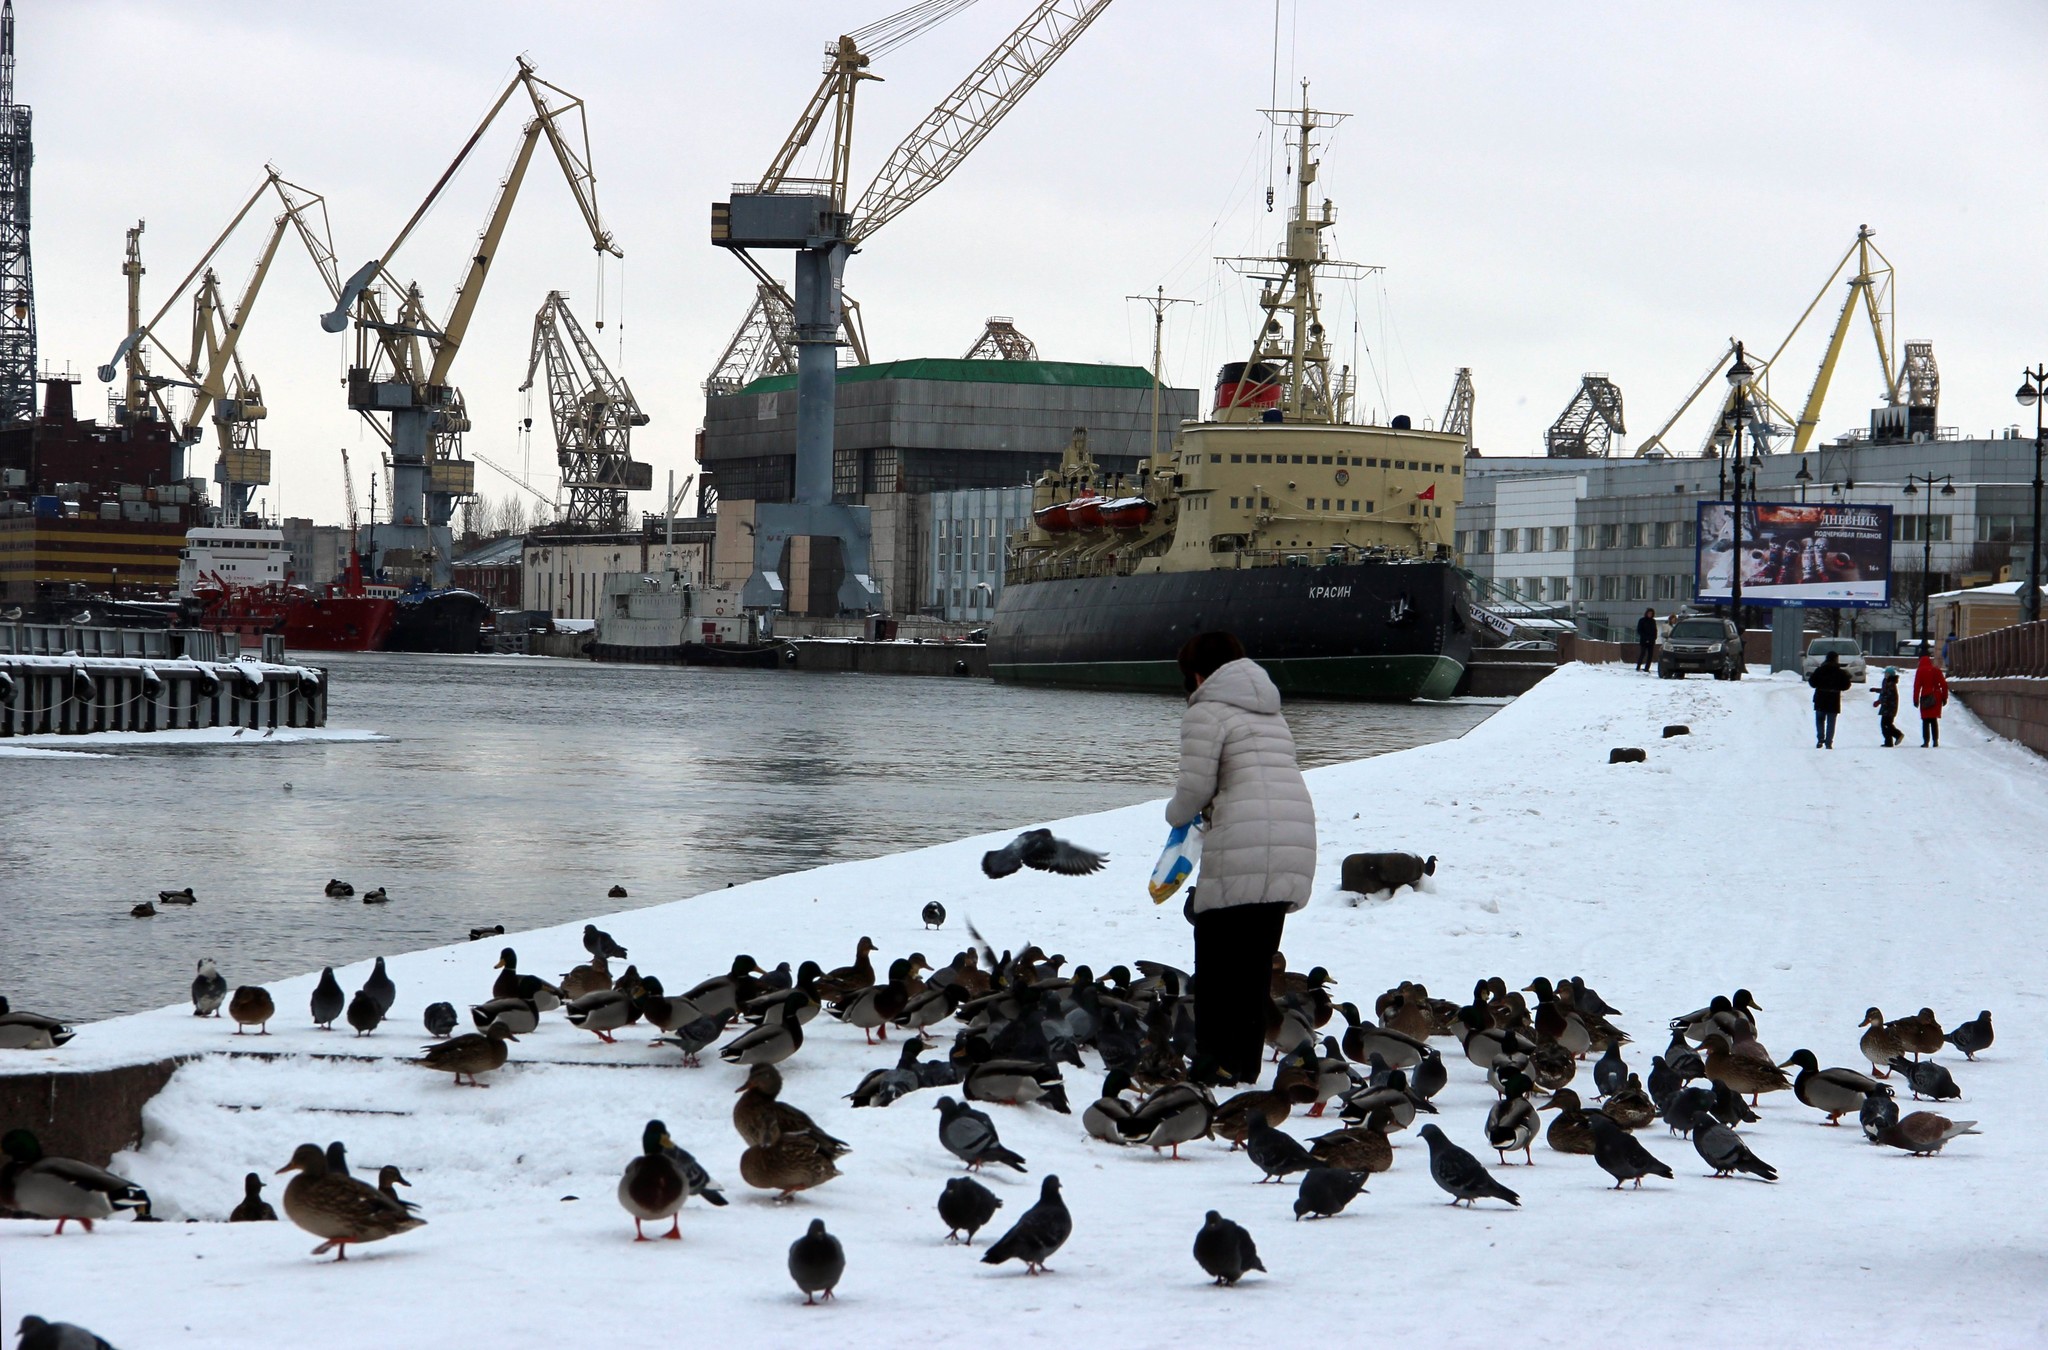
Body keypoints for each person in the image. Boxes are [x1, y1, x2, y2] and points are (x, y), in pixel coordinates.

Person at [1165, 631, 1316, 1086]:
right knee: (1252, 969)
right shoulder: (1270, 711)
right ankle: (1243, 1066)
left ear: (1196, 674)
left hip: (1243, 841)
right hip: (1292, 840)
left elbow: (1194, 789)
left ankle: (1213, 1065)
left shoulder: (1206, 711)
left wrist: (1175, 815)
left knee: (1216, 966)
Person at [1807, 650, 1850, 750]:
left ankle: (1820, 738)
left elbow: (1812, 682)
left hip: (1820, 697)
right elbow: (1846, 685)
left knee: (1820, 720)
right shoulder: (1840, 672)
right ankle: (1829, 742)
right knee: (1831, 722)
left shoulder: (1820, 670)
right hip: (1833, 698)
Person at [1913, 653, 1948, 748]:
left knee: (1925, 720)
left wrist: (1915, 700)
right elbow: (1944, 685)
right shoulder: (1936, 670)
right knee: (1933, 720)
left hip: (1925, 696)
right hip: (1936, 696)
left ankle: (1926, 741)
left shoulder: (1920, 671)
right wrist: (1944, 697)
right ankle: (1935, 741)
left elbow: (1917, 686)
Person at [1874, 666, 1904, 747]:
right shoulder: (1887, 682)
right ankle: (1888, 741)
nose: (1885, 675)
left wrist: (1879, 701)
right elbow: (1884, 691)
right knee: (1886, 724)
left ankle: (1897, 735)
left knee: (1886, 724)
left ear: (1891, 675)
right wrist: (1876, 690)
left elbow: (1887, 696)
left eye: (1887, 674)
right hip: (1887, 707)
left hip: (1890, 708)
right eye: (1885, 673)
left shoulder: (1891, 684)